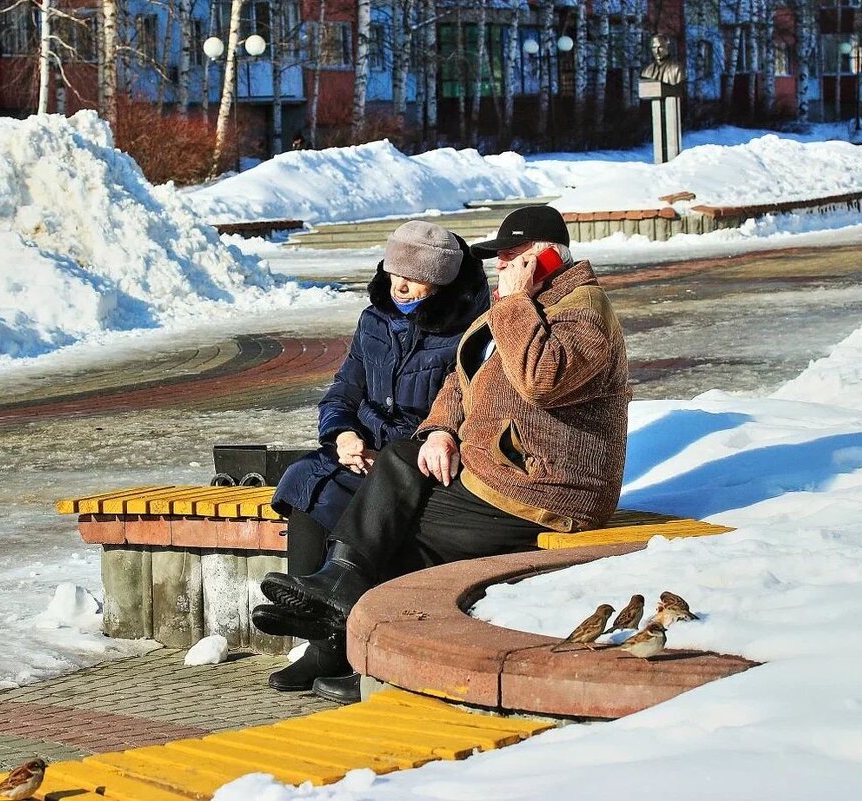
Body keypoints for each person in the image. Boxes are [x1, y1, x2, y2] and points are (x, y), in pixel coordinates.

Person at [258, 206, 631, 703]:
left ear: (545, 260)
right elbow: (462, 378)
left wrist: (515, 304)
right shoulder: (528, 305)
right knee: (381, 471)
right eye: (500, 257)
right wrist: (438, 431)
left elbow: (543, 381)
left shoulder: (582, 312)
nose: (503, 266)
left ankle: (353, 636)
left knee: (400, 524)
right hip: (498, 473)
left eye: (515, 257)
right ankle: (338, 605)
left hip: (548, 489)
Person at [255, 220, 489, 693]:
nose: (399, 285)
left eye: (413, 277)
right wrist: (342, 434)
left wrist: (401, 448)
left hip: (411, 461)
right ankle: (320, 641)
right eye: (393, 272)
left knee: (341, 498)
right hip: (362, 450)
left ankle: (335, 640)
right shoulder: (375, 319)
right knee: (307, 479)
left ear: (441, 280)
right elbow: (343, 390)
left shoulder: (467, 332)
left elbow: (463, 409)